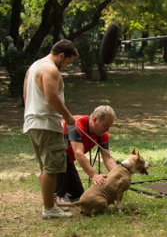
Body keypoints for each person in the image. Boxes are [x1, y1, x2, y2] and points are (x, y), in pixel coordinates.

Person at [23, 39, 79, 219]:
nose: (66, 66)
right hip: (46, 124)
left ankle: (50, 204)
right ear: (61, 55)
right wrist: (68, 117)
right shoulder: (50, 69)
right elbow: (52, 97)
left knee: (47, 167)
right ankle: (48, 209)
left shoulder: (34, 66)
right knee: (51, 168)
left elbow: (25, 93)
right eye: (67, 62)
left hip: (33, 122)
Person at [55, 105, 117, 203]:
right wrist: (94, 175)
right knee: (63, 156)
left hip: (67, 162)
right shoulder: (75, 124)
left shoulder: (102, 134)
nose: (107, 130)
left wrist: (117, 175)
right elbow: (78, 153)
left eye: (109, 126)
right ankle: (57, 194)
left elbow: (107, 158)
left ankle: (55, 186)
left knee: (78, 195)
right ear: (95, 119)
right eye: (105, 125)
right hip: (54, 158)